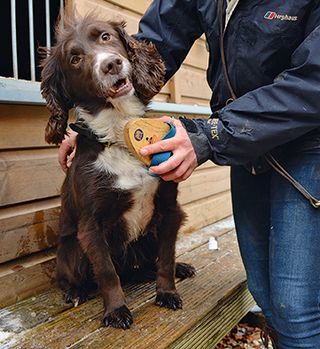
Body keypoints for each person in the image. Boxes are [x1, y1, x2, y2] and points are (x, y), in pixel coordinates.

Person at [59, 1, 320, 348]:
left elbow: (314, 80)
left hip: (305, 141)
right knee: (265, 291)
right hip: (247, 145)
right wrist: (99, 123)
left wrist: (212, 135)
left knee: (296, 307)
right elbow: (157, 43)